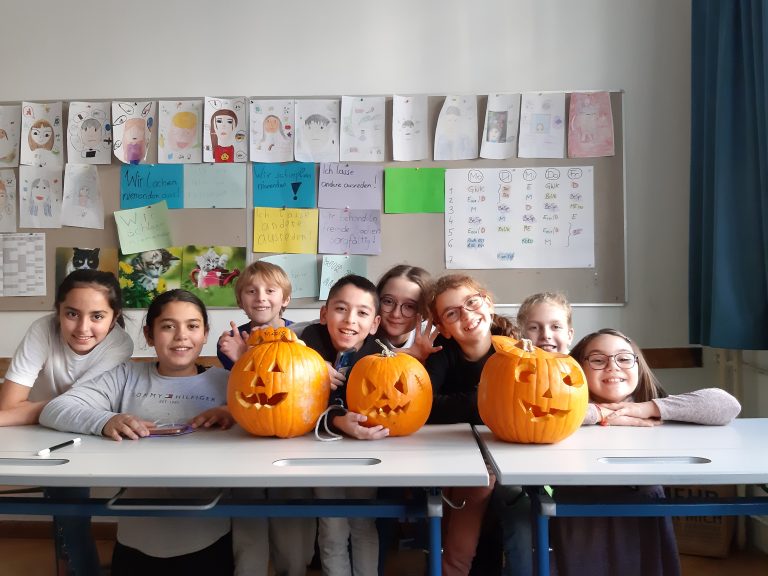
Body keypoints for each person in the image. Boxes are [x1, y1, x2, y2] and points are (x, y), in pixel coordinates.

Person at [40, 289, 235, 575]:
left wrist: (235, 410)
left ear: (205, 333)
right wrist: (106, 420)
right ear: (149, 334)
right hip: (136, 536)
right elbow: (56, 408)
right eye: (168, 326)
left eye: (193, 326)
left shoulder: (228, 382)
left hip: (208, 533)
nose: (181, 336)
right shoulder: (125, 376)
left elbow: (271, 417)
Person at [551, 328, 742, 576]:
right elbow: (548, 413)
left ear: (638, 365)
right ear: (578, 368)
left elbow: (727, 405)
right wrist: (600, 413)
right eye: (598, 360)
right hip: (580, 512)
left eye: (624, 358)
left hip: (644, 510)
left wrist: (650, 408)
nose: (613, 366)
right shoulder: (562, 408)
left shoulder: (658, 408)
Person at [1, 269, 134, 576]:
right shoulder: (41, 329)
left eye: (97, 316)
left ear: (114, 319)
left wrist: (39, 409)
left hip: (85, 429)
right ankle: (73, 565)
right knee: (66, 507)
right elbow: (8, 404)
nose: (83, 327)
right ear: (57, 311)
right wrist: (52, 409)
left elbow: (72, 410)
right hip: (34, 432)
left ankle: (76, 566)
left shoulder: (119, 345)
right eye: (72, 313)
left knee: (71, 509)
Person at [217, 261, 308, 576]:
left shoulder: (301, 334)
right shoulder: (230, 339)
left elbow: (297, 381)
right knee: (248, 512)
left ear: (285, 298)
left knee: (291, 515)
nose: (261, 297)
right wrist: (240, 356)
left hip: (292, 437)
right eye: (251, 291)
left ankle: (292, 569)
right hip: (247, 436)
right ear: (241, 300)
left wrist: (245, 355)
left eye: (270, 290)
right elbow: (244, 389)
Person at [425, 274, 517, 576]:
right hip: (447, 453)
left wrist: (465, 404)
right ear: (444, 329)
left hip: (496, 459)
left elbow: (518, 407)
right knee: (446, 527)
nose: (466, 315)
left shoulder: (512, 354)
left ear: (487, 303)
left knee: (466, 546)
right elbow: (426, 406)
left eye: (471, 303)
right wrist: (484, 401)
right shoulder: (442, 353)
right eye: (452, 313)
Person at [301, 274, 387, 576]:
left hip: (365, 452)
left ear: (375, 323)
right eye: (340, 308)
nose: (350, 320)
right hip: (318, 452)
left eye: (362, 313)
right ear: (324, 314)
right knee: (332, 525)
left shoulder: (379, 355)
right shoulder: (307, 343)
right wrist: (309, 365)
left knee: (363, 522)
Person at [490, 291, 577, 576]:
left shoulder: (582, 369)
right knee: (520, 518)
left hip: (574, 478)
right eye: (535, 327)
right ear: (520, 333)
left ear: (570, 333)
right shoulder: (507, 370)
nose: (545, 335)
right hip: (517, 476)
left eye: (555, 326)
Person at [374, 264, 441, 364]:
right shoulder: (363, 333)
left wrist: (423, 361)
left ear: (425, 311)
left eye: (410, 306)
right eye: (388, 301)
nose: (396, 314)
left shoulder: (431, 338)